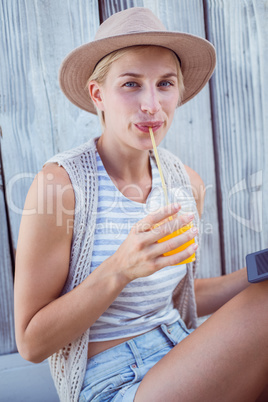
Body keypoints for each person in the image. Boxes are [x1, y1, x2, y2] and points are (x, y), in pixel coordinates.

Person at [14, 7, 268, 402]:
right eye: (131, 84)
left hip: (181, 353)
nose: (152, 104)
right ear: (98, 94)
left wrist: (257, 271)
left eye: (165, 84)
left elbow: (176, 296)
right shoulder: (61, 185)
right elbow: (30, 343)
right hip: (112, 382)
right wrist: (120, 268)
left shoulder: (186, 183)